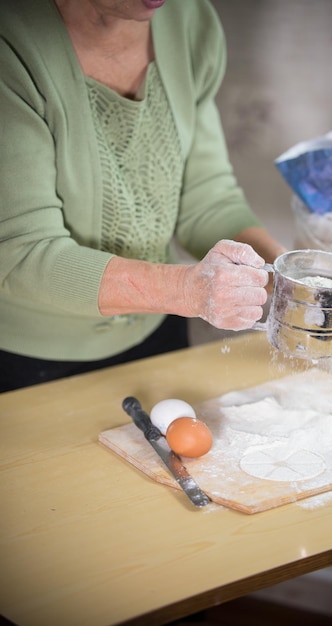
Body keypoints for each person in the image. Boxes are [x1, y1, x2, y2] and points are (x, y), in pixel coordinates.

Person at [0, 0, 286, 393]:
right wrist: (188, 290)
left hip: (158, 333)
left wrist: (292, 281)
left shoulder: (190, 19)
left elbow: (205, 200)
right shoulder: (11, 42)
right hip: (32, 361)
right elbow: (20, 250)